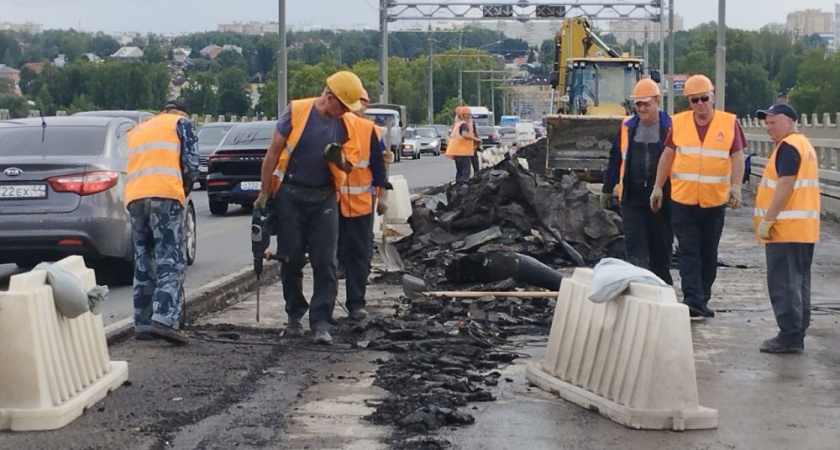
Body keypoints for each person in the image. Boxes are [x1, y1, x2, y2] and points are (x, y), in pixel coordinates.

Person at [255, 70, 363, 345]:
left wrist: (339, 160)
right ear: (329, 96)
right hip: (290, 193)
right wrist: (264, 194)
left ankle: (321, 322)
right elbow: (272, 153)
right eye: (342, 107)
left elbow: (350, 165)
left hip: (324, 196)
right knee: (290, 258)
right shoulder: (297, 111)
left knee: (325, 261)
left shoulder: (346, 124)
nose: (344, 113)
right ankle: (294, 316)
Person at [650, 74, 746, 318]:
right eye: (695, 100)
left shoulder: (728, 123)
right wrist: (658, 187)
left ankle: (702, 297)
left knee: (708, 252)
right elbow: (668, 155)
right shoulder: (679, 123)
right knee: (688, 251)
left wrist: (736, 186)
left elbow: (737, 156)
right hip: (683, 201)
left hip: (714, 202)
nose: (700, 104)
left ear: (712, 97)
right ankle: (692, 300)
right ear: (689, 102)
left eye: (704, 98)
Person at [126, 99, 199, 345]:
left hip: (136, 197)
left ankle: (143, 323)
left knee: (144, 259)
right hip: (165, 195)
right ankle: (165, 319)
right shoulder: (182, 123)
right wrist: (184, 189)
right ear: (181, 113)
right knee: (171, 258)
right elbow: (191, 164)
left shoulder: (139, 129)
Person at [753, 103, 820, 354]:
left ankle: (790, 335)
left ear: (789, 121)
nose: (768, 127)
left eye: (773, 122)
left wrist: (768, 220)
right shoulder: (804, 145)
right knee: (799, 282)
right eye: (766, 123)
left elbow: (785, 184)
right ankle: (796, 331)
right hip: (803, 229)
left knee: (784, 282)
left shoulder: (788, 146)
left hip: (786, 228)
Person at [602, 78, 674, 285]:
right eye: (638, 104)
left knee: (661, 247)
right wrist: (608, 188)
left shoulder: (670, 127)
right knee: (635, 247)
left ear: (657, 101)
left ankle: (663, 288)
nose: (642, 108)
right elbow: (616, 157)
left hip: (662, 197)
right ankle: (638, 287)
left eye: (646, 103)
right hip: (632, 196)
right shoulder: (627, 126)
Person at [337, 88, 390, 321]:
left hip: (360, 204)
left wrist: (383, 196)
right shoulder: (329, 125)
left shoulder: (369, 130)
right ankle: (327, 304)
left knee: (359, 254)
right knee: (328, 255)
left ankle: (356, 303)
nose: (361, 110)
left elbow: (378, 168)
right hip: (332, 205)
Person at [446, 106, 480, 183]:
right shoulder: (464, 124)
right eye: (468, 115)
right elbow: (464, 135)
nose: (469, 117)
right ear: (464, 115)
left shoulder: (458, 124)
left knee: (459, 172)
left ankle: (457, 188)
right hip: (464, 152)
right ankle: (462, 189)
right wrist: (475, 139)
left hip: (458, 152)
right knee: (465, 173)